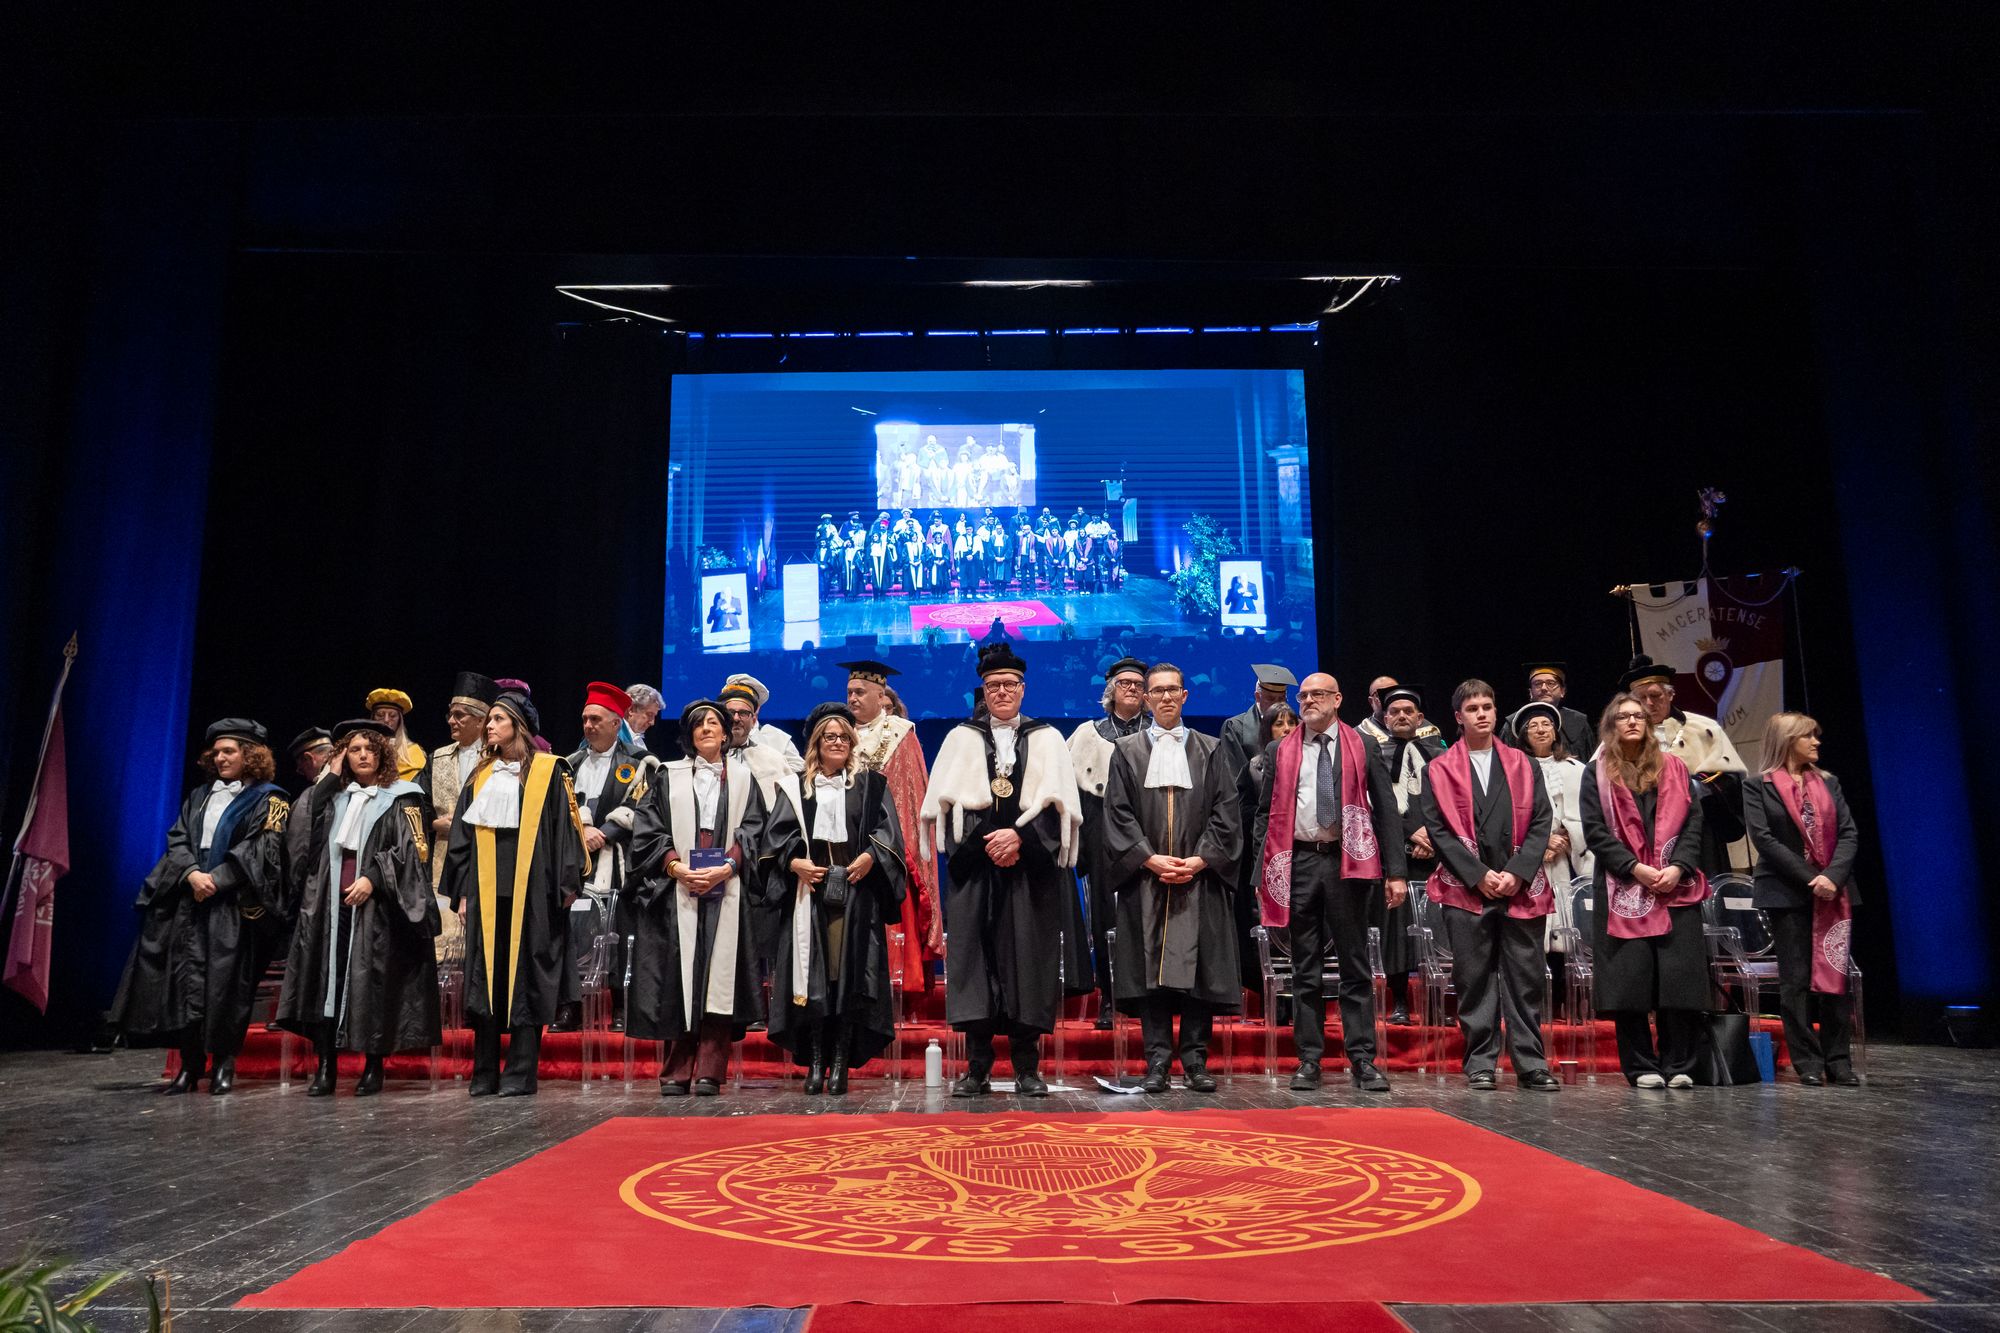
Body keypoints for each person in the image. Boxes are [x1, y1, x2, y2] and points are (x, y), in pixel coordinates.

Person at [920, 642, 1089, 1097]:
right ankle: (976, 1068)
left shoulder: (1048, 738)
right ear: (983, 690)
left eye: (1010, 684)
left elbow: (1060, 809)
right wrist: (989, 844)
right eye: (993, 685)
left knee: (1028, 966)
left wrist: (1021, 840)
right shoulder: (960, 738)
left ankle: (1027, 1069)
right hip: (975, 871)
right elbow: (947, 812)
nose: (1002, 692)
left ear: (1022, 688)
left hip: (1030, 874)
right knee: (974, 965)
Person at [112, 718, 290, 1095]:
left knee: (228, 988)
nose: (220, 758)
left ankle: (224, 1064)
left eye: (229, 751)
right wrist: (192, 874)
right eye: (217, 752)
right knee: (185, 983)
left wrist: (216, 880)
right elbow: (177, 840)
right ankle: (190, 1065)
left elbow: (261, 850)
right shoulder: (199, 796)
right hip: (191, 900)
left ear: (250, 755)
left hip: (233, 905)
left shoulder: (271, 798)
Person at [1252, 673, 1408, 1092]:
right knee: (1305, 967)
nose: (1307, 701)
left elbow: (1386, 809)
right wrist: (1261, 873)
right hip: (1299, 861)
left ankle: (1362, 1059)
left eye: (1317, 694)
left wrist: (1396, 872)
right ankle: (1309, 1060)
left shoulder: (1364, 745)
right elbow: (1264, 814)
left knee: (1355, 964)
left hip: (1348, 862)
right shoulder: (1280, 749)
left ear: (1337, 699)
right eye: (1303, 695)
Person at [276, 719, 438, 1096]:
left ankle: (373, 1066)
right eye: (354, 750)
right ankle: (326, 1067)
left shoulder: (403, 797)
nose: (363, 755)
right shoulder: (332, 797)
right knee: (327, 984)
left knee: (374, 986)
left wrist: (374, 878)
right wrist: (329, 779)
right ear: (343, 756)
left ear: (382, 754)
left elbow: (413, 852)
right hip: (330, 905)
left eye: (370, 749)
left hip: (378, 907)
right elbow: (299, 838)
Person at [1103, 664, 1243, 1093]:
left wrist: (1200, 860)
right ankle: (1158, 1063)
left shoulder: (1211, 749)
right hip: (1148, 879)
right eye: (1157, 691)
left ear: (1185, 696)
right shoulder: (1126, 751)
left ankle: (1196, 1061)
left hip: (1198, 879)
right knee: (1151, 974)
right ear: (1146, 699)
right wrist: (1148, 859)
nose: (1165, 697)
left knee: (1200, 972)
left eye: (1173, 690)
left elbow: (1226, 812)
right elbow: (1117, 813)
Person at [440, 690, 588, 1096]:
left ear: (518, 726)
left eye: (498, 719)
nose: (489, 726)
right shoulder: (480, 776)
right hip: (486, 893)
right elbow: (462, 839)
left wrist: (567, 884)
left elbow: (565, 830)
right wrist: (463, 892)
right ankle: (484, 1072)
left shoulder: (549, 771)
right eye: (489, 719)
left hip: (535, 893)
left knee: (529, 979)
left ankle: (521, 1073)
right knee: (485, 980)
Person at [1417, 680, 1560, 1091]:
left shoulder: (1523, 763)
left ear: (1496, 712)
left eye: (1487, 706)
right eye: (1473, 708)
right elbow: (1438, 830)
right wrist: (1477, 874)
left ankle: (1531, 1063)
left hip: (1519, 886)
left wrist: (1518, 871)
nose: (1482, 714)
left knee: (1525, 979)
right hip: (1466, 889)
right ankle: (1480, 1061)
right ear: (1458, 717)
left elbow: (1541, 820)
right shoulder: (1439, 768)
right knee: (1473, 978)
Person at [758, 704, 908, 1094]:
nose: (838, 742)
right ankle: (816, 1060)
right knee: (814, 978)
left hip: (855, 892)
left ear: (852, 742)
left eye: (844, 736)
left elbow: (889, 835)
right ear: (817, 743)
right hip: (809, 894)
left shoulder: (870, 786)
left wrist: (870, 856)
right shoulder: (794, 787)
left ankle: (840, 1060)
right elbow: (774, 840)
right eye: (830, 737)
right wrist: (795, 863)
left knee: (846, 978)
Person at [627, 700, 766, 1095]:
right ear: (689, 734)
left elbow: (754, 830)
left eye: (713, 723)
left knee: (718, 978)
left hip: (727, 885)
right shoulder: (666, 776)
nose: (706, 728)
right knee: (680, 977)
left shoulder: (745, 779)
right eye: (698, 724)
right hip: (679, 887)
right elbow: (649, 829)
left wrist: (729, 866)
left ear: (725, 733)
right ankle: (677, 1068)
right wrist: (675, 867)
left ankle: (710, 1069)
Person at [1581, 693, 1711, 1089]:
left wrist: (1678, 866)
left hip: (1674, 885)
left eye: (1638, 715)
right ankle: (1641, 1066)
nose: (1633, 721)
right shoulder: (1597, 773)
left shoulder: (1674, 767)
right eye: (1623, 717)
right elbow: (1595, 832)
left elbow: (1693, 823)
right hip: (1623, 886)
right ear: (1611, 726)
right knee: (1631, 982)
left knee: (1677, 979)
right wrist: (1635, 868)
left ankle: (1680, 1063)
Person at [1747, 712, 1861, 1086]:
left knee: (1835, 976)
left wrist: (1832, 876)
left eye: (1816, 735)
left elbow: (1848, 833)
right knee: (1795, 980)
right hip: (1786, 891)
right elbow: (1764, 839)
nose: (1816, 742)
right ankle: (1808, 1061)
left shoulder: (1830, 783)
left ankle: (1838, 1060)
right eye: (1808, 736)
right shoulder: (1757, 786)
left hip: (1834, 889)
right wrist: (1812, 878)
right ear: (1786, 741)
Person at [553, 682, 655, 1033]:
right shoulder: (569, 764)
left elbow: (642, 807)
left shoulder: (640, 762)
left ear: (616, 722)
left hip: (620, 861)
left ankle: (622, 1004)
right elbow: (559, 809)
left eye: (596, 719)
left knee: (620, 932)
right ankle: (570, 1005)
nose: (588, 726)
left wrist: (605, 832)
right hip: (575, 860)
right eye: (585, 719)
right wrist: (582, 830)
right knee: (571, 931)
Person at [844, 660, 941, 984]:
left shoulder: (901, 735)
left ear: (879, 694)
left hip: (888, 850)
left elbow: (912, 798)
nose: (853, 698)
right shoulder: (838, 733)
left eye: (860, 692)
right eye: (849, 692)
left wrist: (887, 848)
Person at [1067, 656, 1151, 1026]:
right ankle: (1109, 995)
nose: (1131, 688)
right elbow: (1072, 796)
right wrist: (1082, 848)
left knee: (1148, 914)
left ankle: (1147, 996)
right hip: (1101, 832)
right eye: (1124, 683)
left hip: (1149, 830)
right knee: (1104, 918)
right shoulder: (1088, 734)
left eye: (1138, 684)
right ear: (1111, 690)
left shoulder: (1159, 732)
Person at [1620, 656, 1746, 873]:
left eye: (1655, 695)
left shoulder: (1703, 728)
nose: (1649, 703)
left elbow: (1729, 778)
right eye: (1641, 698)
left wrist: (1692, 787)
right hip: (1644, 830)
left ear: (1670, 694)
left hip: (1698, 828)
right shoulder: (1620, 737)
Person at [1511, 699, 1593, 1002]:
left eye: (1546, 724)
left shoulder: (1575, 769)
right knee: (1532, 923)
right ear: (1523, 735)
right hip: (1528, 858)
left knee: (1564, 919)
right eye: (1533, 726)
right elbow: (1510, 814)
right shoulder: (1514, 769)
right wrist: (1540, 844)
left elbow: (1589, 814)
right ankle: (1534, 996)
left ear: (1556, 732)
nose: (1541, 729)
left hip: (1565, 860)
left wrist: (1566, 836)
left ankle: (1562, 995)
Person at [1373, 684, 1441, 1025]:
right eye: (1394, 712)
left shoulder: (1439, 755)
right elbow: (1374, 807)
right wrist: (1411, 832)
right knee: (1396, 933)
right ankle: (1400, 1001)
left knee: (1435, 928)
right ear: (1385, 718)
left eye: (1408, 711)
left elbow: (1452, 802)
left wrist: (1432, 837)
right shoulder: (1375, 755)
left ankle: (1436, 1003)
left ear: (1420, 717)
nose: (1401, 716)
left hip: (1435, 856)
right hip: (1395, 856)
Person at [423, 672, 498, 972]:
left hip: (484, 853)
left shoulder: (497, 759)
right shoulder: (437, 758)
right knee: (443, 936)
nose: (451, 721)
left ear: (481, 720)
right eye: (450, 714)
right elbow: (417, 805)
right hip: (443, 856)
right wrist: (434, 824)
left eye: (460, 715)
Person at [1219, 663, 1296, 777]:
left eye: (1281, 699)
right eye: (1271, 699)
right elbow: (1234, 775)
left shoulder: (1296, 726)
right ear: (1258, 697)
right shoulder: (1235, 728)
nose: (1277, 704)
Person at [721, 673, 806, 774]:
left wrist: (770, 775)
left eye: (747, 701)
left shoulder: (777, 737)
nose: (736, 717)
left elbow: (800, 769)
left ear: (757, 707)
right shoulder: (715, 737)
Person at [1520, 662, 1595, 761]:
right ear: (1530, 692)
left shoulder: (1578, 722)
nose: (1544, 688)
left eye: (1551, 683)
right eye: (1538, 684)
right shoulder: (1515, 723)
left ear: (1562, 691)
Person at [365, 688, 428, 783]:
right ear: (373, 718)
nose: (386, 720)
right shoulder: (362, 749)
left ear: (400, 720)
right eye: (380, 715)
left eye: (392, 715)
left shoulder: (413, 752)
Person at [1358, 675, 1441, 745]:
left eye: (1394, 692)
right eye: (1379, 695)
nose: (1389, 699)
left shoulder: (1429, 731)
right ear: (1371, 701)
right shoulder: (1360, 736)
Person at [621, 682, 664, 753]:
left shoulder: (636, 738)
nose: (652, 723)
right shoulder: (613, 737)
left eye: (654, 716)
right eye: (649, 715)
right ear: (631, 709)